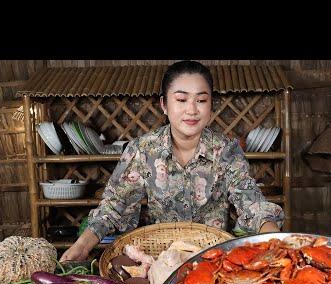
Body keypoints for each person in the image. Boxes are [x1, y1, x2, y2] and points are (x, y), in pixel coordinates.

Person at [60, 60, 284, 262]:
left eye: (201, 100)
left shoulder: (226, 150)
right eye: (181, 99)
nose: (192, 110)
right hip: (159, 260)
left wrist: (276, 240)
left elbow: (251, 202)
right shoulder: (143, 150)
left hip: (214, 260)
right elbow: (114, 205)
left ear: (210, 105)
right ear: (164, 105)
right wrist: (83, 245)